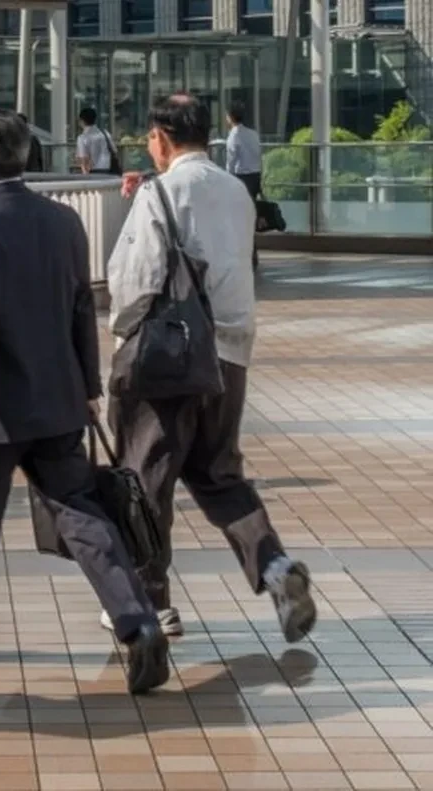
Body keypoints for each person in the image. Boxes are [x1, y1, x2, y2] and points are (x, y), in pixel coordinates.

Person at [0, 109, 169, 696]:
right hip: (56, 398)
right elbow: (82, 308)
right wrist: (89, 388)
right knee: (79, 511)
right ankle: (138, 621)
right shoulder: (63, 222)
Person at [106, 93, 316, 643]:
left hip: (169, 357)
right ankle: (274, 568)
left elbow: (137, 280)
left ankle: (153, 603)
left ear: (161, 138)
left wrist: (119, 331)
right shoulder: (235, 192)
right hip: (230, 352)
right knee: (219, 472)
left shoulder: (160, 191)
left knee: (146, 477)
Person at [226, 100, 264, 269]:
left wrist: (226, 181)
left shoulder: (234, 135)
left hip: (241, 178)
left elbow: (231, 162)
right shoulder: (253, 134)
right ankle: (252, 253)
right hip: (255, 176)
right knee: (250, 215)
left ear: (230, 117)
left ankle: (246, 253)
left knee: (239, 218)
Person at [75, 107, 117, 175]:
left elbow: (84, 159)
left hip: (94, 171)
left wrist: (85, 174)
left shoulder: (82, 138)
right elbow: (114, 151)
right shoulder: (105, 133)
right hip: (110, 170)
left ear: (81, 121)